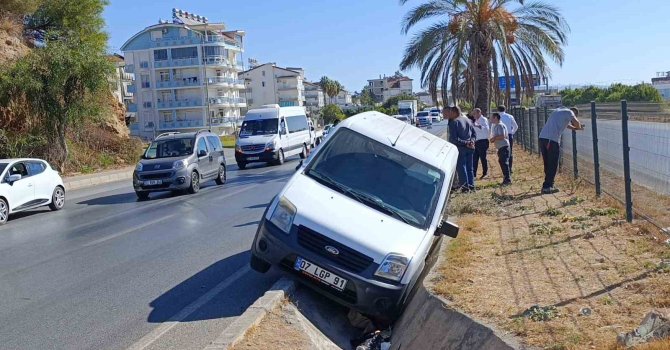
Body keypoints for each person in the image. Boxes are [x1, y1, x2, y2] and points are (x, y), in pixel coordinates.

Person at [539, 107, 584, 194]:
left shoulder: (558, 111)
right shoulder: (570, 112)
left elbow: (567, 125)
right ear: (574, 113)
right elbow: (577, 123)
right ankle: (547, 187)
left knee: (548, 163)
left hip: (543, 138)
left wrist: (574, 128)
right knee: (553, 164)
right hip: (551, 140)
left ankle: (548, 185)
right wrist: (578, 127)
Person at [443, 106, 476, 192]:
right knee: (470, 167)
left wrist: (466, 143)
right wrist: (471, 141)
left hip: (460, 148)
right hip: (470, 147)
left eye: (450, 112)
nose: (449, 114)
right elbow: (474, 134)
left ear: (454, 113)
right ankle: (471, 185)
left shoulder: (454, 122)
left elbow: (454, 139)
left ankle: (465, 188)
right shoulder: (467, 120)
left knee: (462, 168)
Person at [489, 113, 511, 185]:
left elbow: (502, 136)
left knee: (504, 162)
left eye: (492, 118)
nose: (490, 119)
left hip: (504, 146)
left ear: (495, 118)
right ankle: (506, 178)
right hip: (501, 147)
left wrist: (494, 138)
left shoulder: (500, 125)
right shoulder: (496, 126)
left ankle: (507, 180)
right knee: (502, 162)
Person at [497, 105, 518, 174]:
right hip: (509, 135)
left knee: (501, 151)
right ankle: (510, 168)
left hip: (499, 136)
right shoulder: (510, 116)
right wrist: (511, 132)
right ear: (505, 109)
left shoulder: (497, 117)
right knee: (510, 152)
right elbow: (515, 126)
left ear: (498, 110)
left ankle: (504, 168)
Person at [471, 108, 490, 179]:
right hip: (476, 142)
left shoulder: (483, 120)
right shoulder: (475, 120)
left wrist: (477, 125)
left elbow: (486, 129)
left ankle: (485, 173)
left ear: (479, 113)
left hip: (482, 142)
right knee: (475, 158)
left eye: (474, 114)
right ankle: (474, 175)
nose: (473, 115)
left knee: (483, 158)